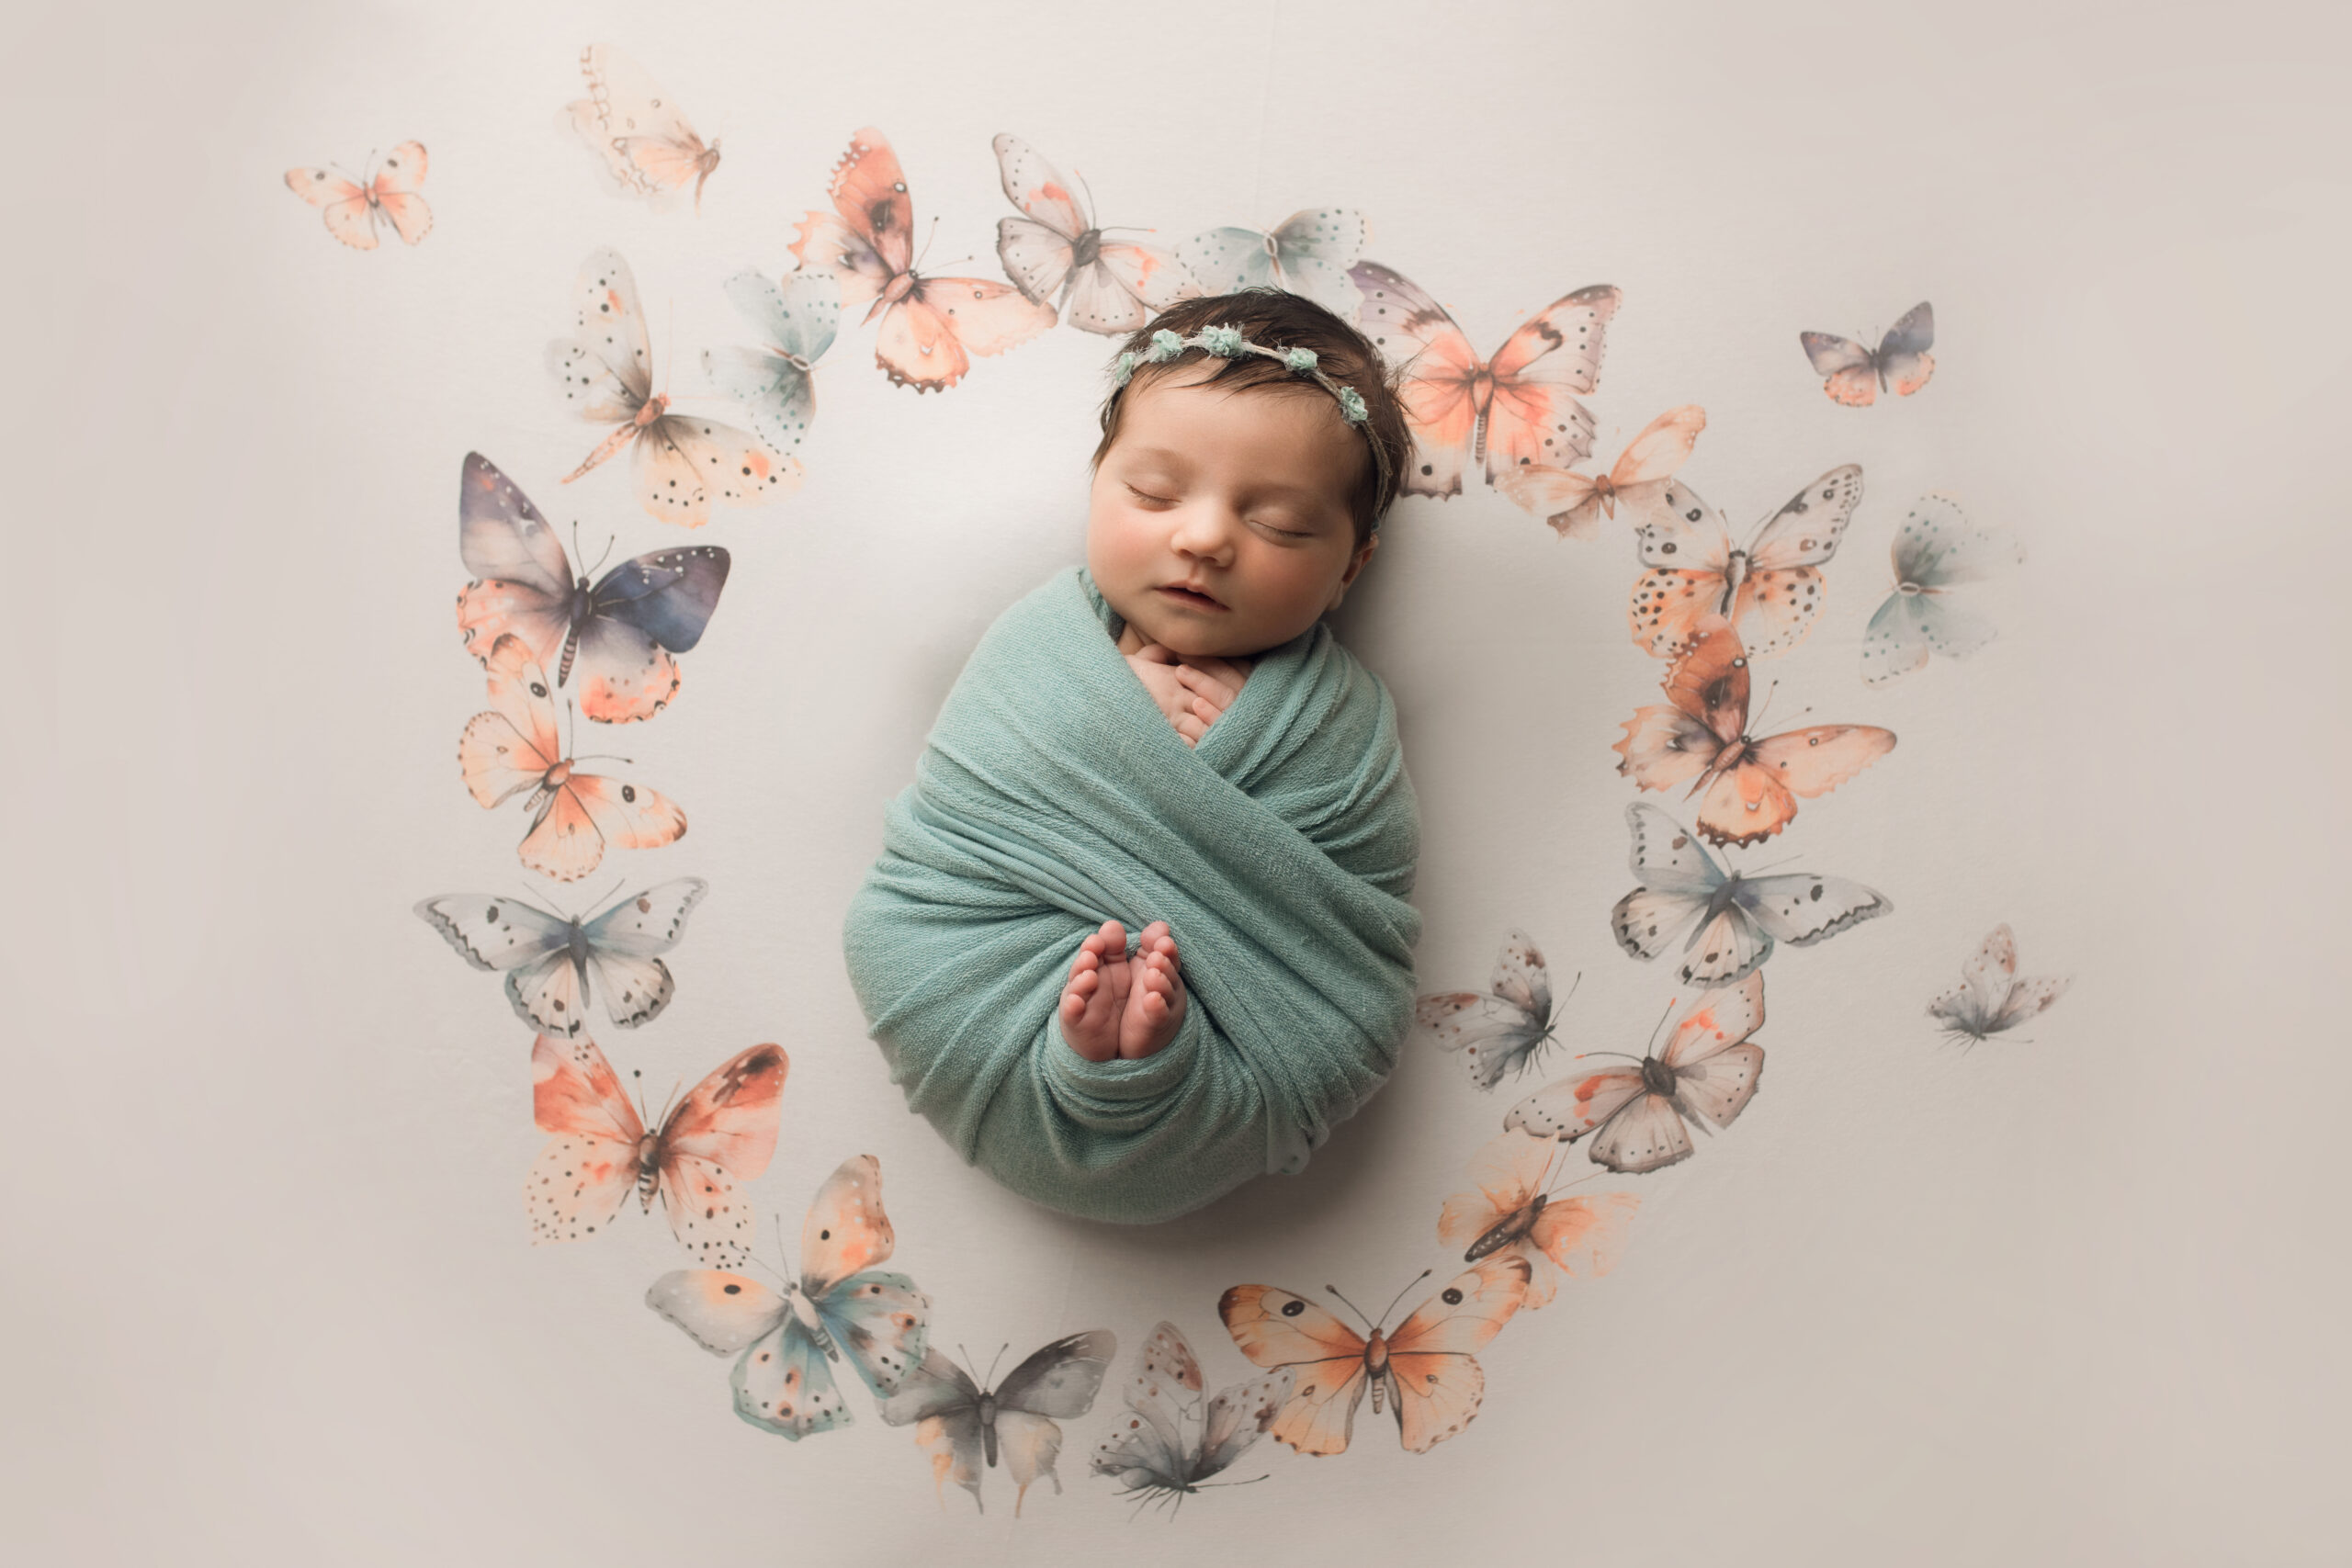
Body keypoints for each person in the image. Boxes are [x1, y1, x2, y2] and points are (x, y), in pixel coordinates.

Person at [842, 288, 1422, 1223]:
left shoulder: (1340, 719)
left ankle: (1144, 1061)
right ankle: (1098, 1051)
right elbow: (969, 803)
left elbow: (1350, 923)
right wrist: (1112, 727)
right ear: (1097, 481)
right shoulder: (1041, 642)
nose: (1202, 538)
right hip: (990, 957)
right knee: (883, 942)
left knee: (1344, 1038)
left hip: (1249, 1022)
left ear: (1351, 564)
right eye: (1153, 494)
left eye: (1274, 523)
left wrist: (1221, 753)